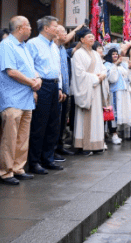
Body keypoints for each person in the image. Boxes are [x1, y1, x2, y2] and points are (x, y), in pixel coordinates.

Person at [0, 16, 39, 185]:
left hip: (26, 97)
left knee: (22, 137)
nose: (30, 29)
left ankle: (18, 168)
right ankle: (6, 172)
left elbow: (31, 70)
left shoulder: (25, 47)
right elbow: (11, 71)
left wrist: (37, 79)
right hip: (12, 98)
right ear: (21, 28)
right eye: (28, 26)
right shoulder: (7, 45)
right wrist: (32, 83)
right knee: (10, 137)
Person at [26, 16, 65, 174]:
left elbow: (58, 68)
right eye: (55, 26)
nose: (58, 29)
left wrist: (60, 87)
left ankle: (48, 158)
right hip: (41, 85)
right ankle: (34, 161)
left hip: (54, 85)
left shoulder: (54, 46)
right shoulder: (32, 44)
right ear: (46, 28)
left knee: (53, 124)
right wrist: (34, 88)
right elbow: (29, 66)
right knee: (39, 125)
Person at [71, 27, 111, 154]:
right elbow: (79, 74)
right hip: (87, 89)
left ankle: (96, 143)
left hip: (96, 89)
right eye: (89, 37)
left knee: (97, 117)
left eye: (93, 36)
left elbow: (103, 69)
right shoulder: (78, 54)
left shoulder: (95, 54)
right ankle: (85, 144)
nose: (93, 38)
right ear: (82, 40)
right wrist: (96, 78)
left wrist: (103, 75)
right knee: (86, 116)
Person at [54, 25, 75, 156]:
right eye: (63, 32)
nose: (66, 34)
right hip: (56, 90)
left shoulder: (62, 48)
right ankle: (53, 149)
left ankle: (60, 145)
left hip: (65, 90)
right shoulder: (53, 48)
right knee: (55, 122)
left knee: (62, 121)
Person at [104, 44, 130, 144]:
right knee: (112, 114)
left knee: (119, 114)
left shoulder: (120, 65)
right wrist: (115, 65)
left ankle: (116, 133)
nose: (115, 56)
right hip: (113, 92)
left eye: (116, 54)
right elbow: (112, 79)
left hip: (122, 92)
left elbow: (126, 76)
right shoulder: (107, 65)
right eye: (113, 54)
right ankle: (113, 134)